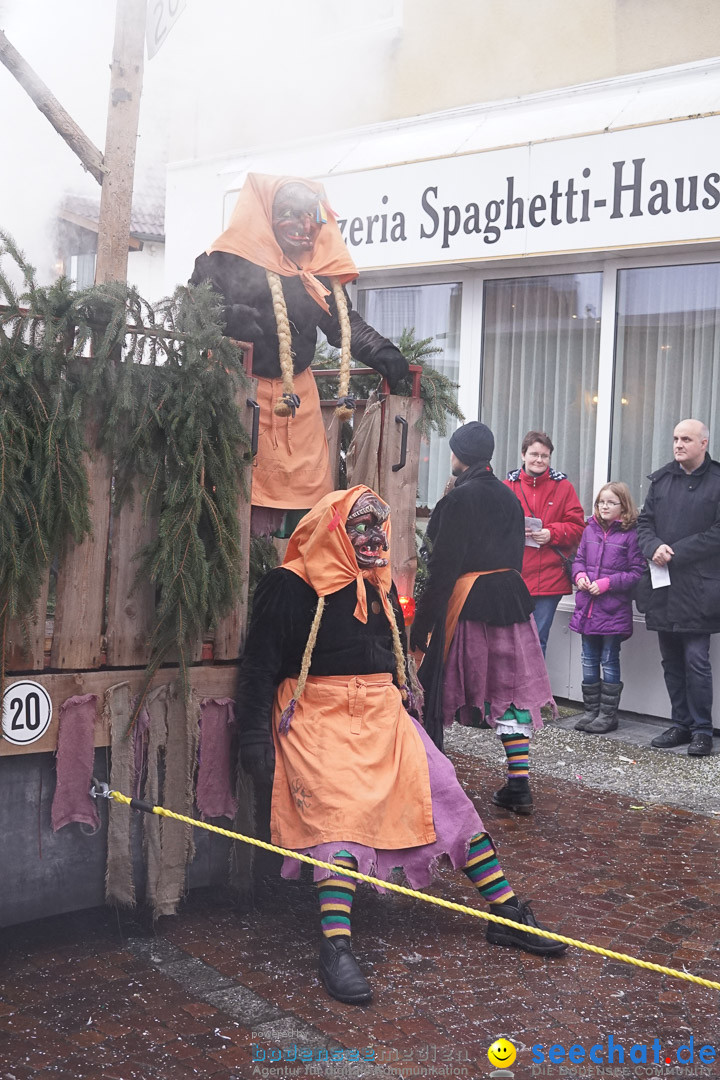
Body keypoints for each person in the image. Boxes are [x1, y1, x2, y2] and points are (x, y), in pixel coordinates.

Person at [235, 485, 568, 1006]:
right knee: (337, 818)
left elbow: (393, 658)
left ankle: (505, 912)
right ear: (333, 531)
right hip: (318, 715)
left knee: (447, 797)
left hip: (384, 713)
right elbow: (258, 666)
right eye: (361, 526)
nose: (373, 538)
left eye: (378, 527)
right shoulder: (290, 585)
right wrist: (254, 735)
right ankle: (337, 946)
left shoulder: (380, 584)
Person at [191, 173, 408, 537]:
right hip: (237, 395)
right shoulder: (221, 261)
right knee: (229, 500)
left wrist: (382, 351)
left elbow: (342, 324)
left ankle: (289, 581)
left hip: (297, 404)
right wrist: (231, 319)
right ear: (265, 215)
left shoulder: (314, 273)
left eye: (313, 216)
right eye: (291, 214)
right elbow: (193, 316)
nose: (305, 226)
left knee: (305, 503)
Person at [410, 422, 556, 817]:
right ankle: (518, 784)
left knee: (438, 687)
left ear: (460, 456)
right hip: (510, 601)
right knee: (510, 691)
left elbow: (440, 569)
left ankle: (427, 779)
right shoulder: (510, 498)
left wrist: (419, 628)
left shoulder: (459, 499)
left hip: (469, 603)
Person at [636, 419, 720, 757]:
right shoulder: (661, 479)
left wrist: (677, 552)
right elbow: (644, 523)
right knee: (671, 660)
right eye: (675, 438)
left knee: (696, 660)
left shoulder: (717, 481)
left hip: (700, 588)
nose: (678, 444)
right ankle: (680, 724)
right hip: (663, 588)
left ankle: (702, 730)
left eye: (686, 439)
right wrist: (652, 545)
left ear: (704, 443)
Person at [569, 483, 646, 734]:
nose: (604, 506)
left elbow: (637, 573)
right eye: (601, 502)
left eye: (611, 502)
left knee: (609, 660)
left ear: (623, 507)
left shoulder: (630, 535)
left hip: (613, 610)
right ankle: (591, 711)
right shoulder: (588, 529)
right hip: (587, 608)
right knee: (588, 659)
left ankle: (608, 715)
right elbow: (578, 559)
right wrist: (579, 575)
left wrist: (608, 583)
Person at [504, 431, 585, 656]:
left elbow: (578, 528)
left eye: (545, 456)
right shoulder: (507, 487)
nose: (539, 460)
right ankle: (511, 690)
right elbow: (493, 527)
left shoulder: (564, 487)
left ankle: (534, 691)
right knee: (511, 642)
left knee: (538, 641)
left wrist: (553, 533)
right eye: (534, 454)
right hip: (515, 576)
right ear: (523, 455)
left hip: (550, 578)